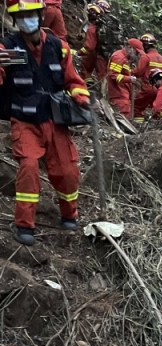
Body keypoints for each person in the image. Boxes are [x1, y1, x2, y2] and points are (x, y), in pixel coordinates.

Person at [0, 0, 91, 246]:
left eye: (31, 15)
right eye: (21, 16)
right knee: (29, 168)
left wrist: (81, 97)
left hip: (55, 119)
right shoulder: (7, 48)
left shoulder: (58, 47)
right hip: (25, 121)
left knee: (67, 171)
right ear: (14, 20)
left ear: (41, 16)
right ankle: (24, 225)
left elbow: (74, 80)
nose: (26, 20)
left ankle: (69, 213)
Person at [132, 33, 162, 122]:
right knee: (156, 110)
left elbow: (138, 72)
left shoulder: (146, 57)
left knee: (137, 107)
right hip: (161, 90)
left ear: (145, 45)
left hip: (148, 88)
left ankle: (138, 127)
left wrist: (128, 71)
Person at [107, 38, 141, 119]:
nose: (137, 54)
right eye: (136, 52)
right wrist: (130, 79)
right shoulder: (119, 57)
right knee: (123, 119)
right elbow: (113, 75)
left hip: (123, 95)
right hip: (119, 95)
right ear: (129, 47)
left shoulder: (126, 59)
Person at [78, 3, 108, 82]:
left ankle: (88, 86)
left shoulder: (92, 28)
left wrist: (79, 53)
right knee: (102, 76)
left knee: (85, 68)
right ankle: (92, 85)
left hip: (96, 53)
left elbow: (89, 47)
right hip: (104, 54)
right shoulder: (104, 25)